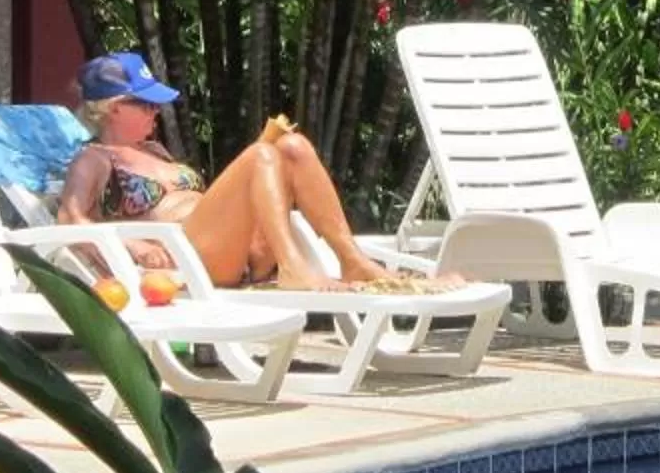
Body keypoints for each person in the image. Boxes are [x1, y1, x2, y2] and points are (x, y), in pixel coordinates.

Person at [58, 51, 458, 293]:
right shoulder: (95, 158)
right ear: (112, 108)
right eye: (145, 106)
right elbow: (69, 220)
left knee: (293, 147)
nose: (155, 113)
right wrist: (132, 248)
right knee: (260, 157)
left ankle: (352, 259)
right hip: (190, 259)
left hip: (238, 248)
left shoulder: (155, 151)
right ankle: (293, 267)